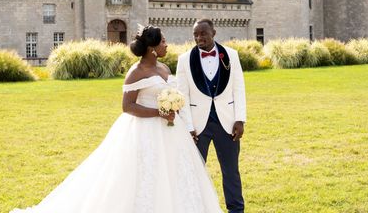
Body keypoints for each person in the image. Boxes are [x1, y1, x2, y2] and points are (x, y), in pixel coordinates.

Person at [11, 25, 223, 213]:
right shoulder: (136, 72)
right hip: (144, 129)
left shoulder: (164, 68)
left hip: (171, 131)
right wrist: (158, 113)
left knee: (176, 173)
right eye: (164, 42)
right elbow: (127, 106)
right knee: (142, 174)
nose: (167, 46)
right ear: (152, 48)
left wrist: (175, 110)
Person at [176, 19, 247, 213]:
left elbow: (239, 88)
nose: (199, 38)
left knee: (231, 171)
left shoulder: (231, 55)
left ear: (213, 33)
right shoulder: (184, 60)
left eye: (203, 33)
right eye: (196, 34)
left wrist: (240, 119)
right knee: (195, 171)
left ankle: (236, 210)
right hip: (198, 127)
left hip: (228, 122)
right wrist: (189, 127)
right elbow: (182, 96)